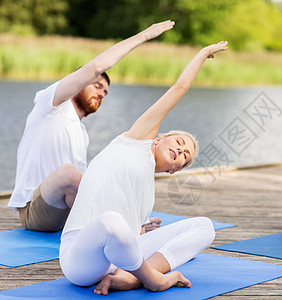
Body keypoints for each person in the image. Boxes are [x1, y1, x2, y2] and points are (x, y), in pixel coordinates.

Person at [59, 21, 228, 294]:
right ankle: (153, 279)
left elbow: (133, 241)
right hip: (81, 258)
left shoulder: (147, 197)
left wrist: (142, 232)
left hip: (117, 260)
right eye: (180, 142)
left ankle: (132, 278)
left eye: (184, 157)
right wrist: (202, 53)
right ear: (161, 138)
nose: (181, 151)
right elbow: (179, 88)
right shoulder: (135, 140)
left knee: (204, 227)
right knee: (110, 221)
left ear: (174, 170)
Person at [8, 20, 165, 232]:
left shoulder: (80, 132)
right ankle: (118, 230)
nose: (101, 93)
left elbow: (88, 189)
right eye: (97, 86)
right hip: (34, 212)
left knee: (104, 180)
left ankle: (134, 225)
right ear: (80, 82)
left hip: (62, 210)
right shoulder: (51, 106)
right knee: (69, 175)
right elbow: (95, 66)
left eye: (105, 92)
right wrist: (143, 36)